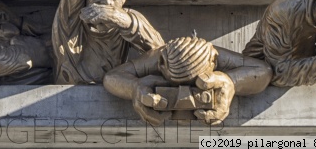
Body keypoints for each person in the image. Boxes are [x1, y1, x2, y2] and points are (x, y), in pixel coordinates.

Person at [103, 36, 272, 126]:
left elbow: (264, 71)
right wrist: (135, 88)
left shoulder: (215, 54)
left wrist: (231, 81)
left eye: (195, 86)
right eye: (175, 86)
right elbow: (111, 78)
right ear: (161, 65)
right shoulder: (160, 56)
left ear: (213, 62)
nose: (186, 94)